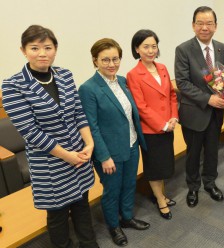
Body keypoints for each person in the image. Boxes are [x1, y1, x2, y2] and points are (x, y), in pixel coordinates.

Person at [2, 25, 98, 248]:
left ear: (55, 49)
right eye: (34, 48)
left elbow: (78, 112)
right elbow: (30, 132)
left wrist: (89, 143)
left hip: (80, 154)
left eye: (48, 47)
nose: (42, 53)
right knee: (58, 214)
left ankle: (89, 243)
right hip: (49, 161)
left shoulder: (64, 75)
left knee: (83, 204)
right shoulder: (13, 86)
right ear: (23, 50)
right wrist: (68, 156)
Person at [79, 38, 149, 247]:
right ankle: (113, 226)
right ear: (95, 60)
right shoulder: (88, 88)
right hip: (109, 152)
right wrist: (104, 156)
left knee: (129, 184)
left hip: (131, 143)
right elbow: (92, 127)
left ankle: (126, 218)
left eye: (115, 59)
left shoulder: (122, 81)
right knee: (112, 190)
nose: (111, 64)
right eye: (105, 60)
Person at [174, 6, 224, 207]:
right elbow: (182, 83)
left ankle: (210, 183)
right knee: (193, 152)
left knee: (213, 151)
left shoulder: (223, 48)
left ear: (215, 26)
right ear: (193, 25)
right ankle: (193, 187)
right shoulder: (183, 49)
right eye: (200, 23)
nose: (204, 27)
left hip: (216, 113)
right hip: (194, 112)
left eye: (209, 23)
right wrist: (208, 99)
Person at [127, 29, 178, 220]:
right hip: (152, 130)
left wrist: (174, 117)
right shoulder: (133, 74)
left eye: (154, 46)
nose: (150, 50)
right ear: (137, 49)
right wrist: (162, 125)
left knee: (164, 165)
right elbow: (141, 106)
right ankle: (160, 200)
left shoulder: (163, 68)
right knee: (155, 167)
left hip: (169, 125)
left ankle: (160, 194)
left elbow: (172, 95)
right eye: (145, 46)